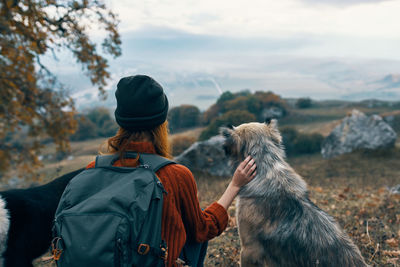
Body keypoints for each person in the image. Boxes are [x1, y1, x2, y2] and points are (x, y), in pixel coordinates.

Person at [85, 75, 257, 267]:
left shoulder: (92, 170)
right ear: (161, 122)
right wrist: (235, 185)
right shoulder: (175, 176)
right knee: (192, 223)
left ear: (120, 120)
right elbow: (202, 230)